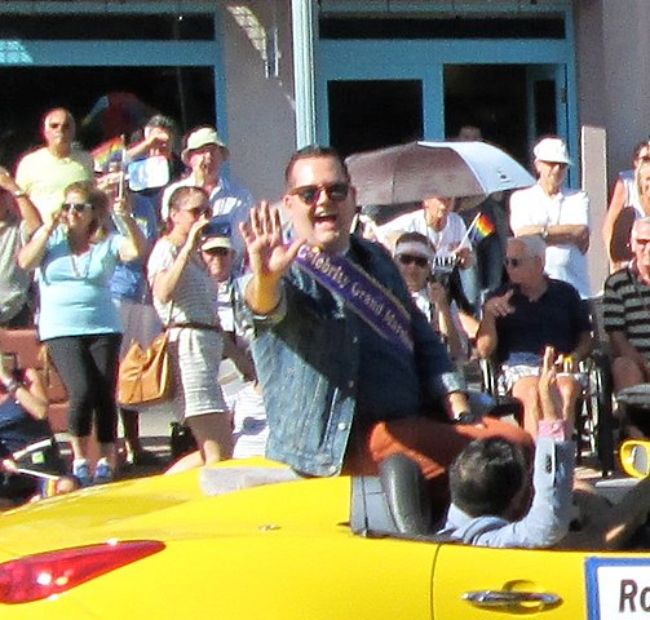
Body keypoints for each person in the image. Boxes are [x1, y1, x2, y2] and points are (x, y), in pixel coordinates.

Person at [239, 145, 531, 511]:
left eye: (336, 190)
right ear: (290, 203)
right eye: (309, 194)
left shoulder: (376, 258)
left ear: (353, 197)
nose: (324, 201)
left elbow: (422, 337)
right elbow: (263, 308)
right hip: (341, 440)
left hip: (413, 415)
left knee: (515, 439)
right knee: (503, 459)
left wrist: (455, 399)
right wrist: (265, 279)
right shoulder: (285, 268)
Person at [17, 182, 146, 486]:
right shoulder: (52, 240)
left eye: (79, 207)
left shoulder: (108, 242)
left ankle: (105, 458)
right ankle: (78, 457)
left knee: (104, 391)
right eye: (67, 207)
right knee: (82, 389)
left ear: (93, 213)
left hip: (103, 324)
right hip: (60, 327)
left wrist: (125, 218)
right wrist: (47, 227)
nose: (71, 213)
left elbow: (137, 251)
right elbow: (25, 262)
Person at [439, 346, 575, 548]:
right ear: (516, 501)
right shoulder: (489, 543)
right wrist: (551, 415)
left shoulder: (438, 532)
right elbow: (548, 524)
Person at [148, 185, 233, 473]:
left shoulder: (198, 255)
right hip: (187, 347)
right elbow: (163, 292)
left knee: (219, 447)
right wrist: (186, 248)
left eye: (207, 211)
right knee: (217, 451)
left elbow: (210, 313)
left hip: (206, 345)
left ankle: (164, 487)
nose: (203, 218)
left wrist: (242, 361)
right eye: (196, 211)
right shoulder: (167, 249)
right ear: (174, 215)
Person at [476, 235, 592, 436]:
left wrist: (575, 357)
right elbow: (483, 350)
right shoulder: (499, 297)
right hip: (519, 367)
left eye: (515, 262)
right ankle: (536, 459)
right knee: (531, 393)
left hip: (559, 364)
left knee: (566, 390)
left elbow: (586, 338)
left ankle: (560, 454)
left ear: (538, 262)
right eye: (507, 262)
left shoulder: (565, 293)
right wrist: (488, 316)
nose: (509, 268)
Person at [107, 172, 162, 466]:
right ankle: (110, 445)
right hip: (112, 293)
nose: (120, 184)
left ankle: (134, 443)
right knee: (111, 370)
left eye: (125, 178)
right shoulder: (96, 206)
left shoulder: (143, 206)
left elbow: (148, 247)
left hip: (141, 293)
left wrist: (128, 211)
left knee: (133, 369)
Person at [160, 126, 253, 273]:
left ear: (222, 157)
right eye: (202, 151)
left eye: (213, 151)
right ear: (190, 158)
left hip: (228, 279)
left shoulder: (241, 197)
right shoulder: (173, 193)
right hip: (186, 274)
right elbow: (170, 235)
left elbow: (241, 244)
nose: (208, 157)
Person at [509, 136, 591, 300]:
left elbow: (581, 231)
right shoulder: (521, 198)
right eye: (551, 164)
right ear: (538, 165)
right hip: (535, 292)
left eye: (562, 165)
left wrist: (540, 233)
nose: (556, 170)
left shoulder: (579, 197)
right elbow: (523, 236)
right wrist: (567, 234)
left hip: (576, 290)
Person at [603, 217, 650, 436]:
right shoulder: (617, 283)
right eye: (642, 242)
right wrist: (644, 363)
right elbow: (616, 336)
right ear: (631, 245)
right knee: (623, 366)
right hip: (635, 359)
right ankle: (640, 448)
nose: (647, 247)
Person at [0, 348, 65, 505]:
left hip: (39, 465)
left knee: (63, 488)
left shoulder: (26, 377)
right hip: (9, 470)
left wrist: (8, 381)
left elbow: (40, 411)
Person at [393, 231, 467, 362]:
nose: (412, 267)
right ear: (395, 261)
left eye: (421, 262)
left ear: (429, 267)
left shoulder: (442, 298)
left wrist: (443, 309)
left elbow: (457, 353)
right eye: (406, 259)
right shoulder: (383, 292)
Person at [15, 108, 94, 220]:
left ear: (73, 131)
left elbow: (92, 196)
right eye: (54, 126)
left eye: (66, 126)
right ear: (45, 131)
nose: (60, 130)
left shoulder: (86, 159)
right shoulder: (29, 162)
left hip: (78, 232)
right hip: (43, 231)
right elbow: (17, 202)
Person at [201, 234, 256, 382]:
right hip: (209, 366)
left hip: (245, 369)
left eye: (223, 252)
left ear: (232, 255)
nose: (217, 259)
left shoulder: (247, 285)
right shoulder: (196, 290)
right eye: (211, 253)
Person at [0, 166, 42, 327]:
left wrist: (14, 188)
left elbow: (36, 228)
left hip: (15, 313)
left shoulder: (19, 226)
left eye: (1, 193)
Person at [603, 140, 650, 269]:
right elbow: (609, 226)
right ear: (636, 161)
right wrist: (614, 262)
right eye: (645, 158)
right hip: (632, 257)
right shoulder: (626, 181)